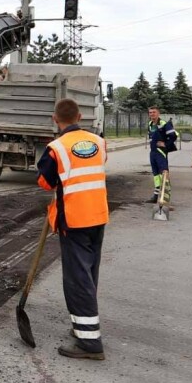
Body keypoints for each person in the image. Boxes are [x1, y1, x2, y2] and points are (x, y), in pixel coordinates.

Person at [37, 98, 110, 361]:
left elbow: (45, 182)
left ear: (55, 119)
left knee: (77, 279)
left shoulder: (55, 148)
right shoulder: (98, 142)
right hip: (98, 215)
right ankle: (84, 326)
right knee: (89, 275)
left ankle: (90, 343)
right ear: (79, 116)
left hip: (75, 220)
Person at [147, 107, 177, 204]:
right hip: (153, 152)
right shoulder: (150, 124)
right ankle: (156, 196)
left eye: (154, 112)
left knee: (164, 173)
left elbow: (174, 135)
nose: (152, 114)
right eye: (150, 112)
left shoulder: (164, 124)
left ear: (158, 113)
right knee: (156, 175)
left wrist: (166, 145)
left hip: (161, 152)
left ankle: (165, 197)